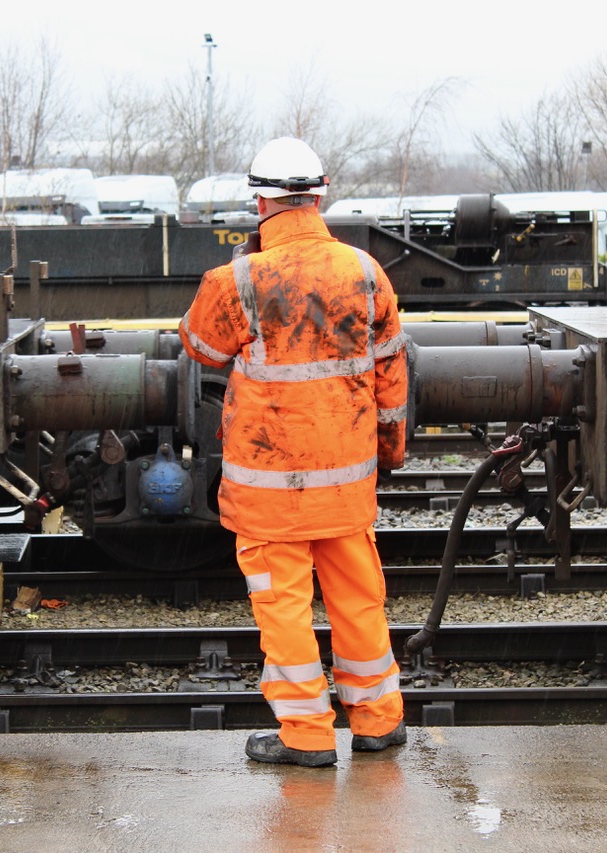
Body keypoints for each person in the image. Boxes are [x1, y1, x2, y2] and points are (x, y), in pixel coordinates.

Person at [178, 137, 409, 767]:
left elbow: (199, 346)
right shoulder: (365, 272)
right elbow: (391, 376)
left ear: (260, 199)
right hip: (346, 487)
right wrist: (389, 450)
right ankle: (377, 721)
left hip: (267, 489)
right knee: (358, 598)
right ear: (320, 192)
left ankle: (306, 736)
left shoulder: (238, 280)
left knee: (282, 606)